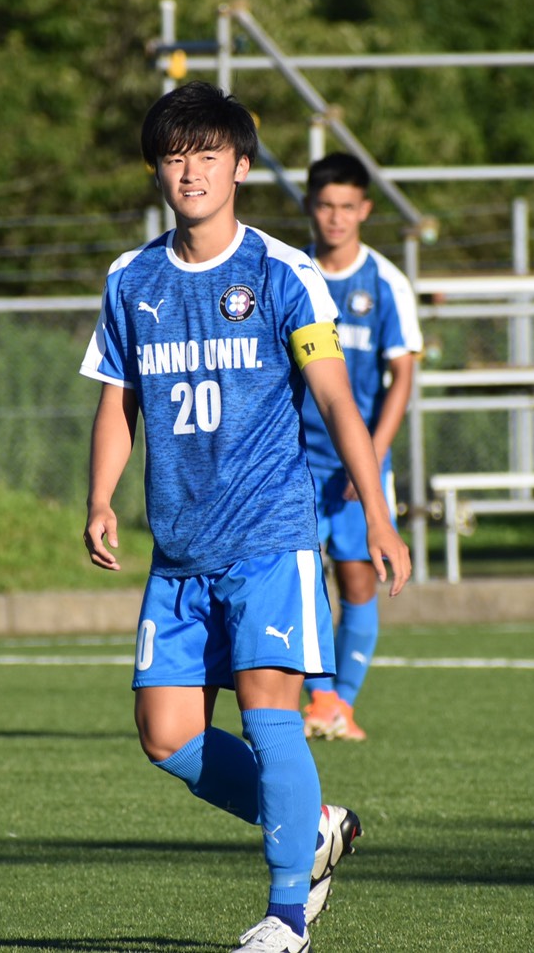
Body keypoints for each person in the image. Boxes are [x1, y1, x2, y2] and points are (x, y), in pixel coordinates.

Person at [80, 81, 411, 953]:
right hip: (179, 551)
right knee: (167, 736)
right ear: (157, 170)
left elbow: (336, 400)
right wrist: (101, 497)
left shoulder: (283, 273)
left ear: (241, 166)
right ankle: (313, 824)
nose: (189, 171)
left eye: (207, 154)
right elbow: (118, 402)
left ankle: (286, 917)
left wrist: (379, 515)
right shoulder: (131, 279)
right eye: (173, 156)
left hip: (271, 539)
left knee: (270, 719)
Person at [297, 152, 423, 744]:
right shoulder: (292, 273)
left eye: (347, 206)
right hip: (293, 460)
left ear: (365, 210)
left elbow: (403, 376)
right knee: (296, 580)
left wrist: (368, 456)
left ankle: (340, 705)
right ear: (310, 207)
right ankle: (319, 699)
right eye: (326, 205)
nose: (336, 217)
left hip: (358, 463)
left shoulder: (387, 283)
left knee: (356, 582)